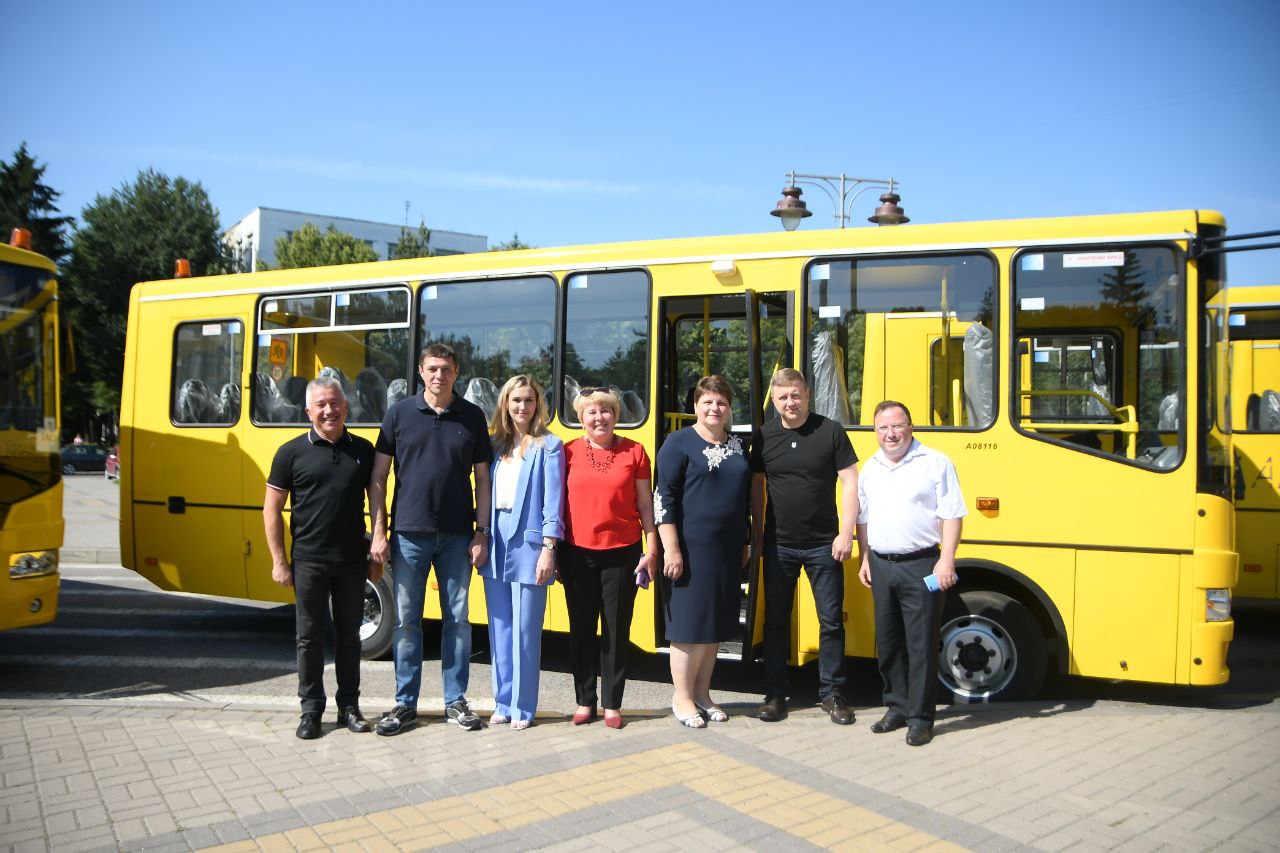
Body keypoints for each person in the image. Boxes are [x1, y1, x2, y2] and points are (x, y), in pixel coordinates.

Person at [368, 343, 492, 736]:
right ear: (421, 372)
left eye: (447, 369)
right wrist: (378, 531)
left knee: (458, 619)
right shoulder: (399, 414)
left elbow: (483, 480)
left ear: (457, 373)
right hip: (408, 535)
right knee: (406, 621)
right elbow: (378, 477)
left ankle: (456, 700)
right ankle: (405, 703)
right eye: (433, 368)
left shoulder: (472, 416)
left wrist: (481, 532)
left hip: (458, 536)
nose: (440, 375)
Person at [263, 376, 382, 740]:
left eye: (335, 403)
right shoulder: (290, 452)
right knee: (309, 638)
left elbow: (377, 501)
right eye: (321, 405)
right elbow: (271, 510)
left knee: (349, 636)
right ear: (308, 411)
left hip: (351, 560)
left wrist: (378, 546)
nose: (329, 410)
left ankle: (350, 707)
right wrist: (278, 560)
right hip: (309, 561)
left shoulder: (363, 450)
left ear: (345, 407)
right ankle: (311, 711)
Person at [654, 375, 763, 728]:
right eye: (708, 402)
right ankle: (682, 697)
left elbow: (743, 501)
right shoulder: (678, 442)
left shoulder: (738, 445)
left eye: (722, 403)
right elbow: (663, 498)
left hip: (727, 550)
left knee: (714, 625)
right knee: (688, 626)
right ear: (696, 406)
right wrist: (671, 548)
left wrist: (745, 541)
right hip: (689, 549)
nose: (715, 408)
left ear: (729, 408)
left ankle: (703, 693)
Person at [856, 400, 966, 747]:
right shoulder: (870, 467)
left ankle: (920, 719)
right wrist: (864, 558)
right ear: (876, 432)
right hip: (881, 564)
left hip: (922, 565)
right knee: (888, 643)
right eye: (883, 428)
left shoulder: (935, 462)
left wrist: (946, 560)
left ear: (910, 427)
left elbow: (953, 514)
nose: (890, 434)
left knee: (920, 646)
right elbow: (863, 518)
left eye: (897, 426)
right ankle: (897, 707)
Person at [753, 369, 858, 725]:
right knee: (776, 621)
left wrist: (846, 533)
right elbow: (756, 487)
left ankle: (833, 694)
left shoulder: (830, 431)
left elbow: (851, 482)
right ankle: (774, 695)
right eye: (783, 397)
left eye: (795, 395)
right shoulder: (764, 436)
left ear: (807, 395)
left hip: (824, 545)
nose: (790, 402)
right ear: (774, 400)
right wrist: (757, 533)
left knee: (831, 622)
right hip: (779, 545)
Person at [562, 387, 658, 730]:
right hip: (576, 552)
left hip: (622, 552)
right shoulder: (566, 452)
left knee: (617, 630)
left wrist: (651, 547)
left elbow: (645, 505)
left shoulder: (635, 451)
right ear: (581, 418)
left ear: (616, 416)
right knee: (581, 629)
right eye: (592, 412)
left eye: (606, 411)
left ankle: (612, 704)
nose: (599, 417)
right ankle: (584, 700)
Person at [477, 375, 564, 729]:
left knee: (527, 630)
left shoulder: (550, 446)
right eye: (516, 400)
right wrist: (481, 535)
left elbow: (553, 503)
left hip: (530, 544)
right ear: (505, 403)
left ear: (538, 404)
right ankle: (502, 701)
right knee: (499, 628)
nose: (522, 407)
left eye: (529, 400)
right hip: (496, 538)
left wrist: (548, 548)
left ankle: (523, 706)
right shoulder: (494, 444)